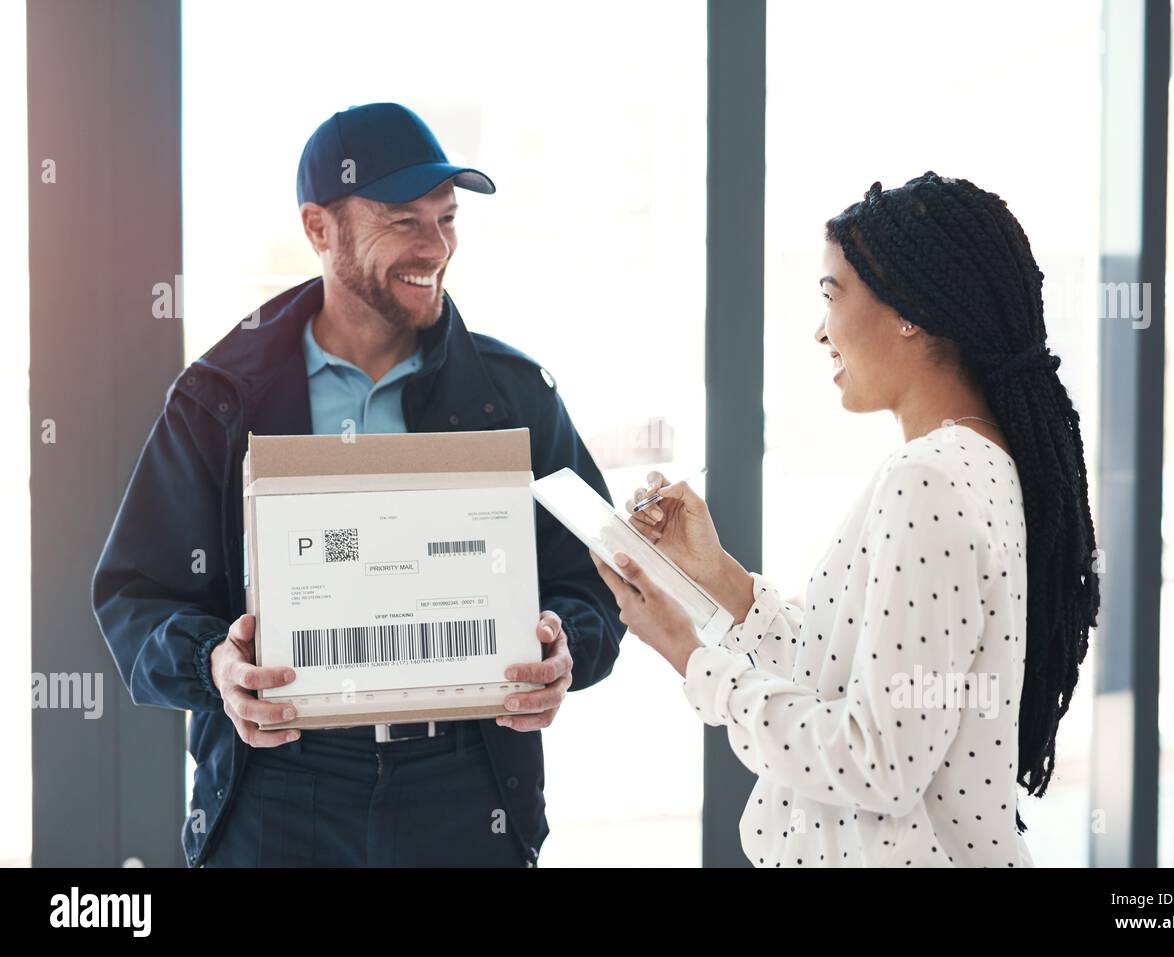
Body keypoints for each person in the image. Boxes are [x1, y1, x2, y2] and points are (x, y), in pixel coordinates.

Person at [92, 102, 624, 867]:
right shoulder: (219, 399)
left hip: (463, 788)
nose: (434, 246)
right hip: (276, 787)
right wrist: (215, 662)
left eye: (445, 219)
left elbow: (596, 582)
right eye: (403, 220)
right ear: (319, 228)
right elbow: (133, 597)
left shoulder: (513, 397)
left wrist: (564, 645)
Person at [592, 172, 1100, 867]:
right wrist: (719, 576)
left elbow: (875, 760)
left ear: (909, 312)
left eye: (832, 294)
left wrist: (692, 655)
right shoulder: (977, 461)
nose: (820, 328)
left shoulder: (927, 480)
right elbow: (859, 683)